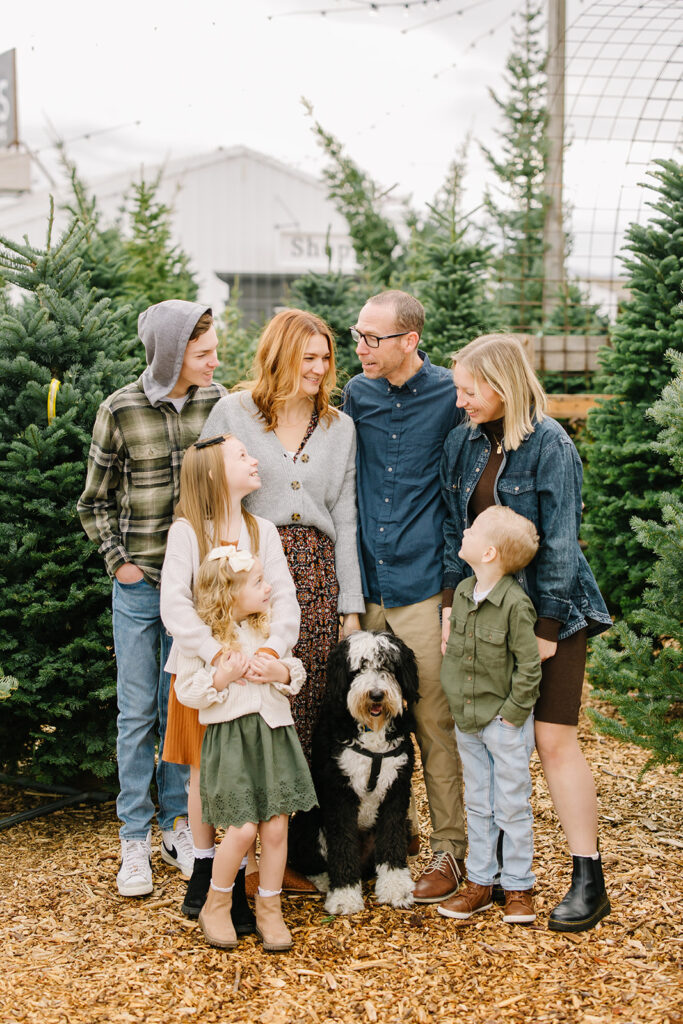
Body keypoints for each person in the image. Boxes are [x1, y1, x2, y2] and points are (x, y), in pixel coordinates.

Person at [440, 333, 612, 933]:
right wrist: (449, 610)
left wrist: (546, 629)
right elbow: (450, 531)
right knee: (486, 738)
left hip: (551, 615)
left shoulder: (551, 446)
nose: (460, 401)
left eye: (468, 390)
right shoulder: (464, 444)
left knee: (552, 740)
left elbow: (561, 543)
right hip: (485, 618)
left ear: (501, 384)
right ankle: (494, 875)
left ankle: (588, 878)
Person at [77, 300, 226, 897]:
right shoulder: (120, 410)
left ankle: (177, 826)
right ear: (170, 355)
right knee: (138, 712)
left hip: (196, 592)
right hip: (141, 590)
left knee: (181, 709)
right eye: (202, 353)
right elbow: (94, 502)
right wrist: (122, 565)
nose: (214, 361)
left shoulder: (218, 406)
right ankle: (133, 838)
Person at [342, 289, 467, 903]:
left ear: (410, 340)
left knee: (431, 720)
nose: (360, 347)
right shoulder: (355, 394)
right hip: (368, 587)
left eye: (373, 338)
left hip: (421, 586)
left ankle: (451, 852)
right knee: (359, 720)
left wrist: (452, 593)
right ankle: (374, 838)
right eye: (358, 335)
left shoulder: (451, 396)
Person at [200, 308, 365, 763]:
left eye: (325, 359)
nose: (319, 369)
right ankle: (244, 823)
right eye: (307, 358)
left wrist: (350, 606)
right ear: (279, 356)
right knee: (249, 695)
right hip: (247, 572)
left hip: (315, 576)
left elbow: (346, 517)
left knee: (308, 697)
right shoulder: (233, 412)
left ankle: (301, 831)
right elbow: (206, 497)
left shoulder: (339, 426)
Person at [160, 433, 300, 927]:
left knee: (250, 780)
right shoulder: (187, 532)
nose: (254, 459)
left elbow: (283, 599)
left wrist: (271, 650)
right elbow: (174, 603)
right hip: (205, 670)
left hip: (256, 679)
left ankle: (244, 881)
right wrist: (216, 652)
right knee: (203, 771)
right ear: (216, 474)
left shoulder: (262, 530)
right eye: (242, 456)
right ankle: (205, 870)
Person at [173, 546, 317, 951]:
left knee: (275, 826)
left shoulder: (266, 630)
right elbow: (187, 690)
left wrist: (281, 670)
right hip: (231, 740)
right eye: (257, 582)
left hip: (273, 735)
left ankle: (269, 909)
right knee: (242, 828)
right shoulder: (203, 640)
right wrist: (220, 679)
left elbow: (295, 670)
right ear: (229, 593)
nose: (268, 587)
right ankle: (216, 903)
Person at [437, 505, 542, 925]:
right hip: (468, 721)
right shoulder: (463, 593)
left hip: (504, 724)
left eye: (475, 529)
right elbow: (456, 654)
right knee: (479, 804)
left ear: (490, 554)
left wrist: (512, 716)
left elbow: (529, 667)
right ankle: (480, 882)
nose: (466, 530)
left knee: (512, 805)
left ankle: (518, 886)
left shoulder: (516, 605)